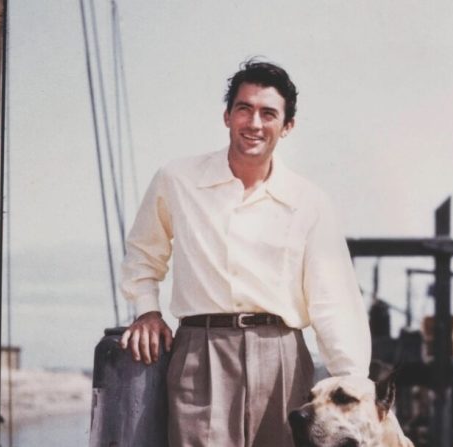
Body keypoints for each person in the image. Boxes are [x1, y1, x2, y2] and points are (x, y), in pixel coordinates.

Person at [119, 59, 371, 447]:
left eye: (268, 113)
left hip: (282, 357)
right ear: (227, 116)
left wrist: (354, 384)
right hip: (201, 354)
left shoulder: (309, 201)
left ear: (287, 127)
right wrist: (147, 309)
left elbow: (333, 299)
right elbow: (142, 251)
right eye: (244, 109)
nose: (254, 123)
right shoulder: (178, 179)